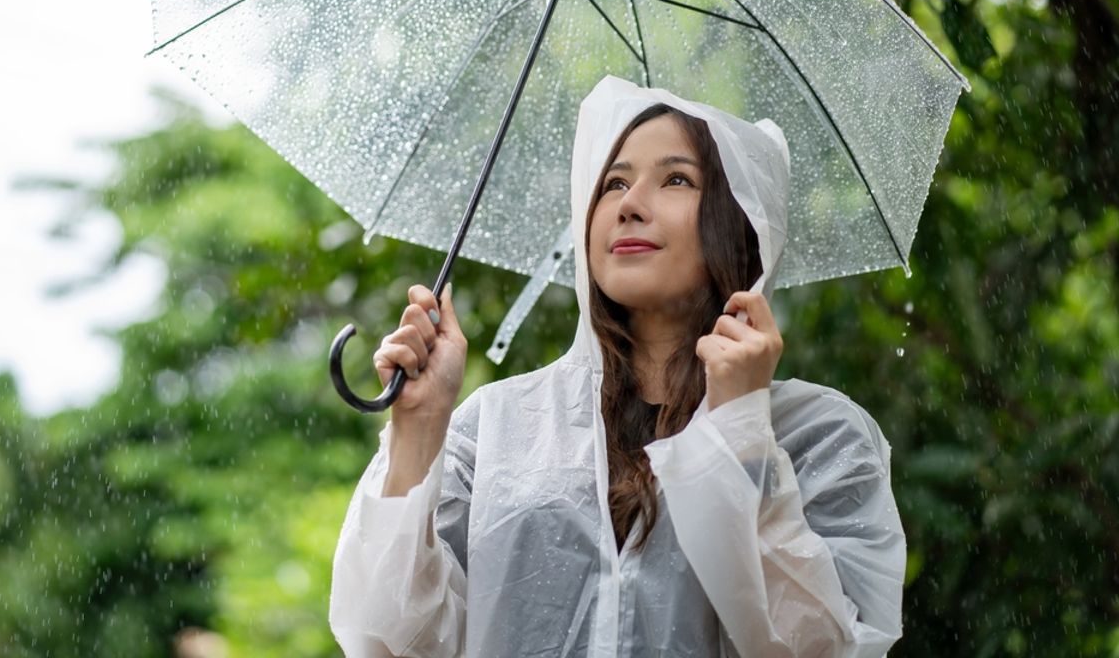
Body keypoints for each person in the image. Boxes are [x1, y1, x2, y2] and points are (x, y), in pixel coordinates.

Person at [329, 76, 906, 657]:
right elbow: (390, 642)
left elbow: (825, 649)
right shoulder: (497, 425)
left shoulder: (819, 435)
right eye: (613, 183)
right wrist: (419, 429)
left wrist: (742, 430)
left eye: (676, 179)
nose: (629, 205)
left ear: (741, 222)